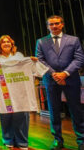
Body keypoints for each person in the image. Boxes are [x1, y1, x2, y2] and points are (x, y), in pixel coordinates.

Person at [35, 15, 84, 150]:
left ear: (62, 24)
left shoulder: (73, 40)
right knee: (54, 111)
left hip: (71, 79)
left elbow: (79, 59)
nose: (54, 26)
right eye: (51, 24)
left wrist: (65, 73)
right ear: (47, 26)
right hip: (51, 80)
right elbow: (40, 60)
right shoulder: (41, 42)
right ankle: (57, 140)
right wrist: (55, 74)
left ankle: (81, 140)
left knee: (76, 110)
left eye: (57, 23)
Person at [0, 35, 41, 149]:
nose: (6, 44)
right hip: (4, 91)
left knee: (21, 116)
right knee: (6, 115)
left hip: (20, 92)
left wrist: (33, 61)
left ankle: (22, 141)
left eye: (8, 42)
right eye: (3, 42)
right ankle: (8, 139)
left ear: (12, 44)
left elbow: (29, 69)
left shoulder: (19, 56)